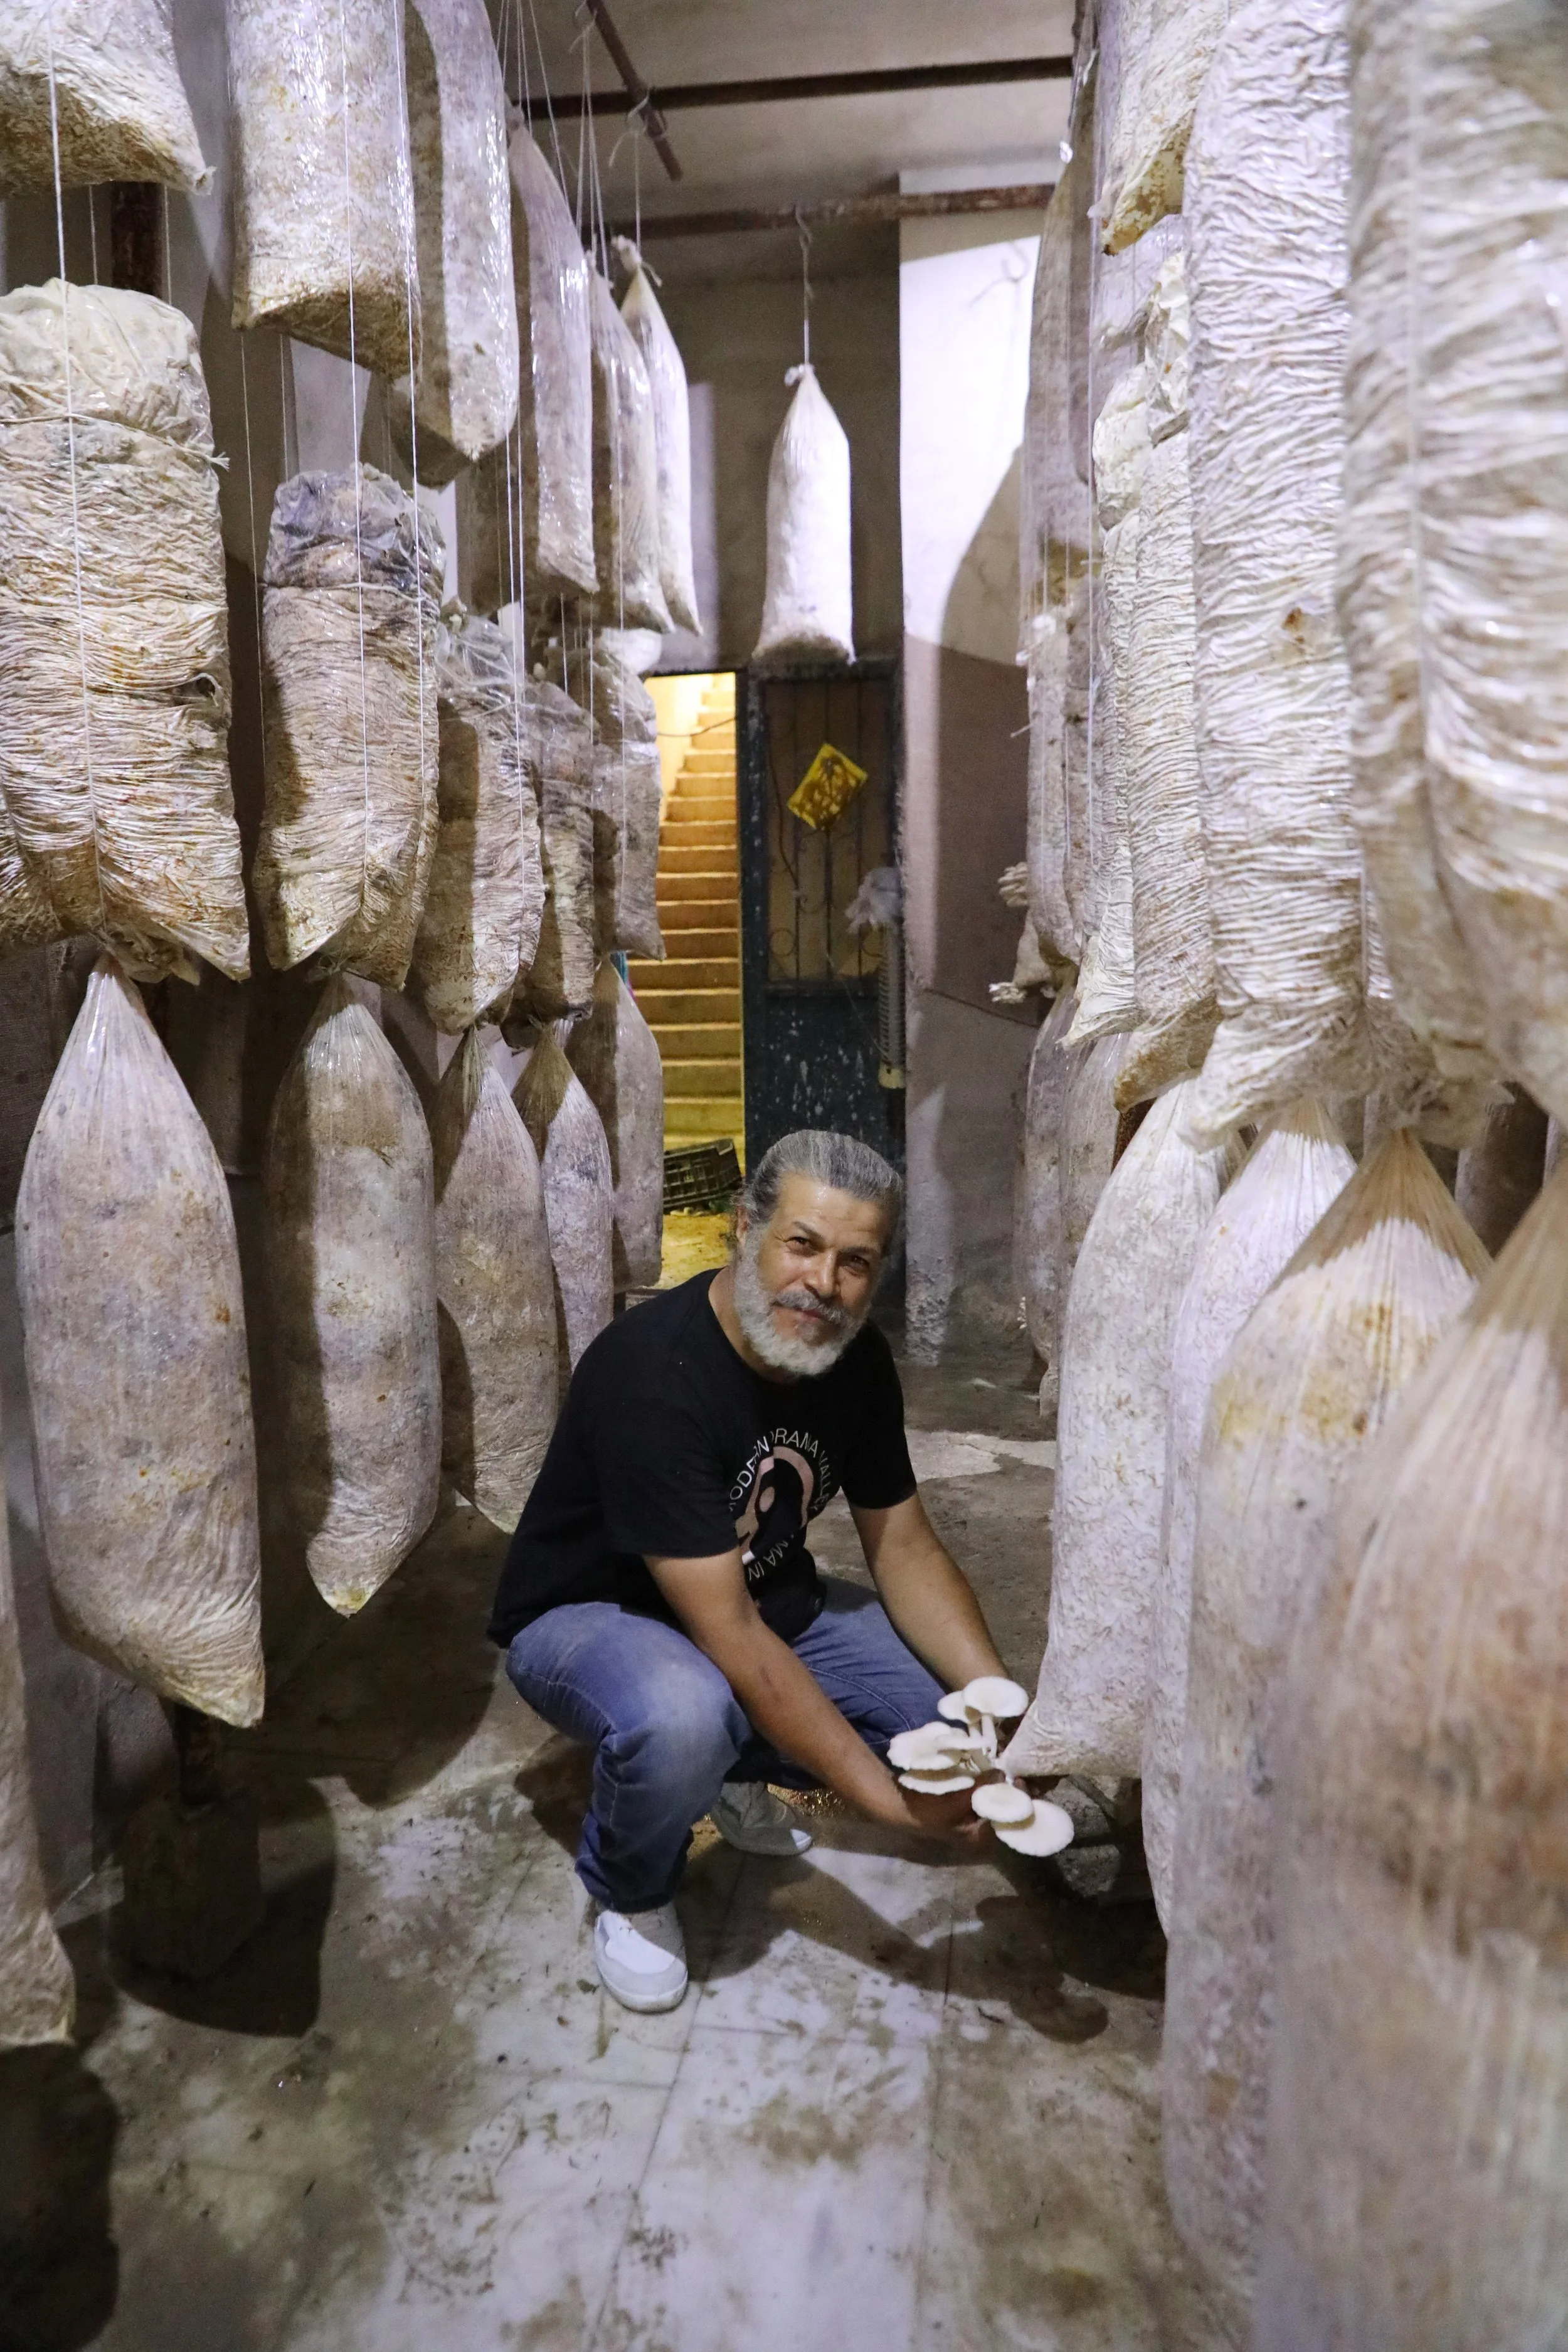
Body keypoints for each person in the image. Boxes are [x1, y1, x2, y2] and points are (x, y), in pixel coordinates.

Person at [490, 1127, 1022, 2013]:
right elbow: (729, 1633)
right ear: (746, 1230)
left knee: (946, 1726)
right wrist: (884, 1806)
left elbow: (906, 1544)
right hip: (591, 1616)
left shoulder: (856, 1363)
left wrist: (1002, 1709)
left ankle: (735, 1774)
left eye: (856, 1261)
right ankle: (632, 1884)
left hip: (760, 1603)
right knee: (689, 1711)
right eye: (803, 1244)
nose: (824, 1283)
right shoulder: (652, 1371)